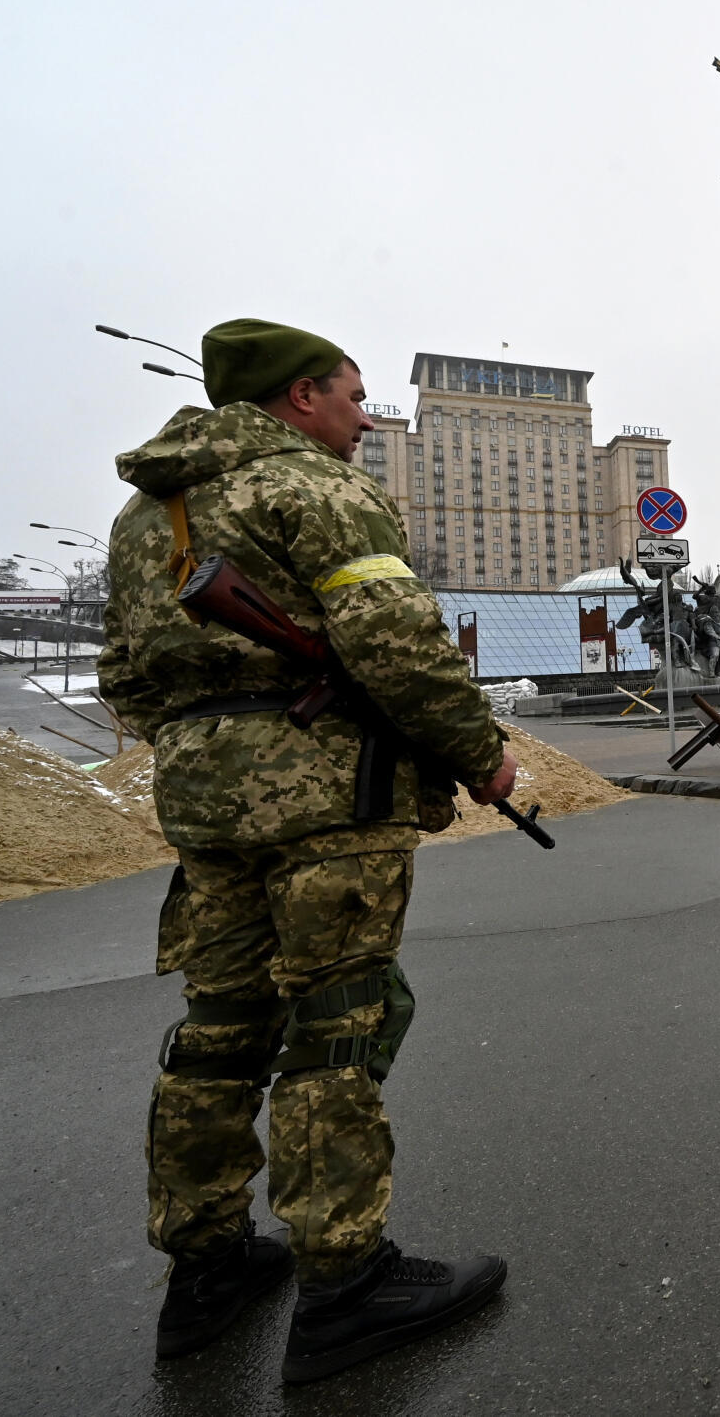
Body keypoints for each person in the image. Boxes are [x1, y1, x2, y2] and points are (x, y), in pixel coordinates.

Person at [99, 319, 515, 1383]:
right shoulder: (317, 489)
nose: (365, 417)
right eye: (351, 395)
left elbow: (124, 676)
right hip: (325, 792)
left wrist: (212, 738)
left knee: (220, 1024)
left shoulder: (151, 514)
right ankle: (347, 1281)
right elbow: (396, 641)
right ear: (298, 399)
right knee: (337, 1024)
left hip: (201, 799)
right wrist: (480, 754)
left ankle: (206, 1265)